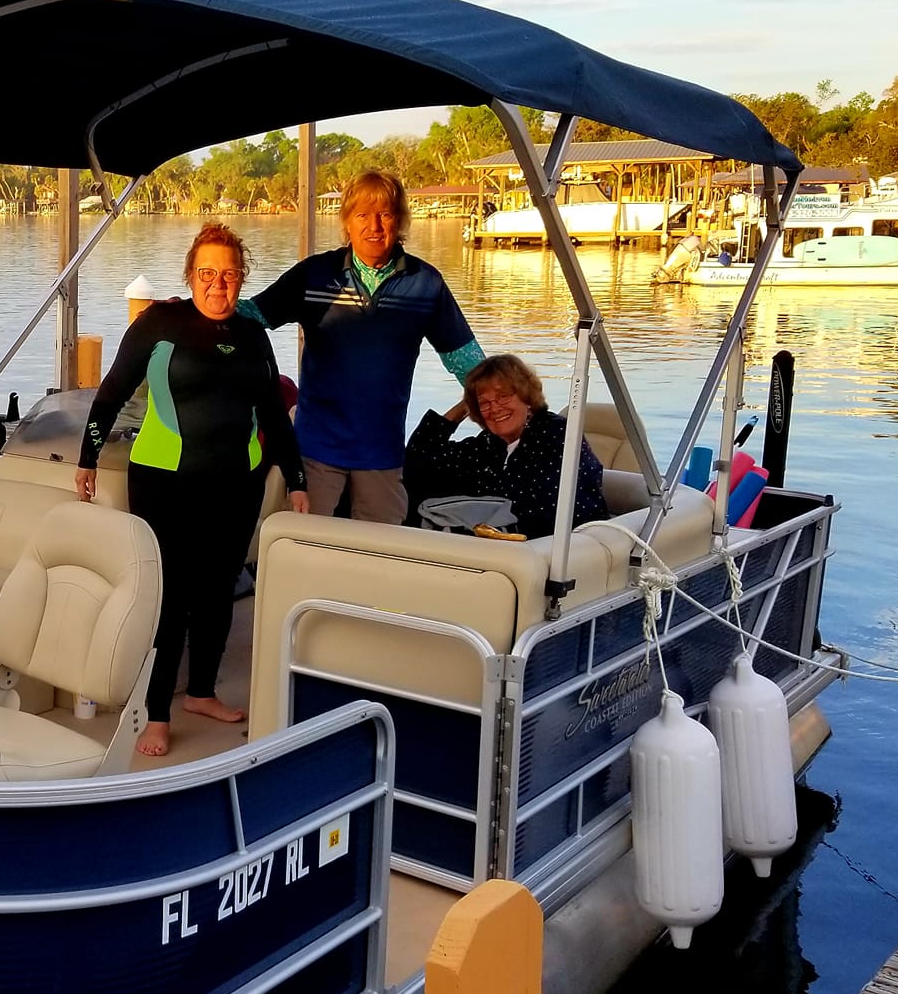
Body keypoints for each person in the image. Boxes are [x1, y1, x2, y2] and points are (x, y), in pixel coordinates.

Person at [77, 222, 310, 757]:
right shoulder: (161, 322)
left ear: (241, 278)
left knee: (220, 587)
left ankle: (201, 692)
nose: (218, 285)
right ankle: (156, 714)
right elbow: (112, 392)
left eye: (229, 275)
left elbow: (274, 414)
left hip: (237, 480)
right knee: (173, 594)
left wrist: (296, 481)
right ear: (191, 275)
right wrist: (88, 458)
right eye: (207, 273)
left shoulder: (254, 336)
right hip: (165, 480)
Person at [238, 168, 483, 523]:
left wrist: (510, 409)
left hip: (381, 451)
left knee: (381, 559)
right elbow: (253, 315)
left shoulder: (426, 283)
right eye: (363, 215)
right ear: (347, 223)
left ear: (399, 222)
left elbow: (467, 361)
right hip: (315, 447)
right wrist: (183, 311)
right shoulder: (314, 275)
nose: (375, 226)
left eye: (385, 215)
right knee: (305, 550)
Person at [402, 354, 606, 539]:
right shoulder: (492, 442)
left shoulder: (556, 434)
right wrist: (466, 405)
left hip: (561, 549)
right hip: (503, 547)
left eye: (503, 396)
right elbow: (419, 458)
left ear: (527, 397)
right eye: (485, 403)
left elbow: (535, 507)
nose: (495, 408)